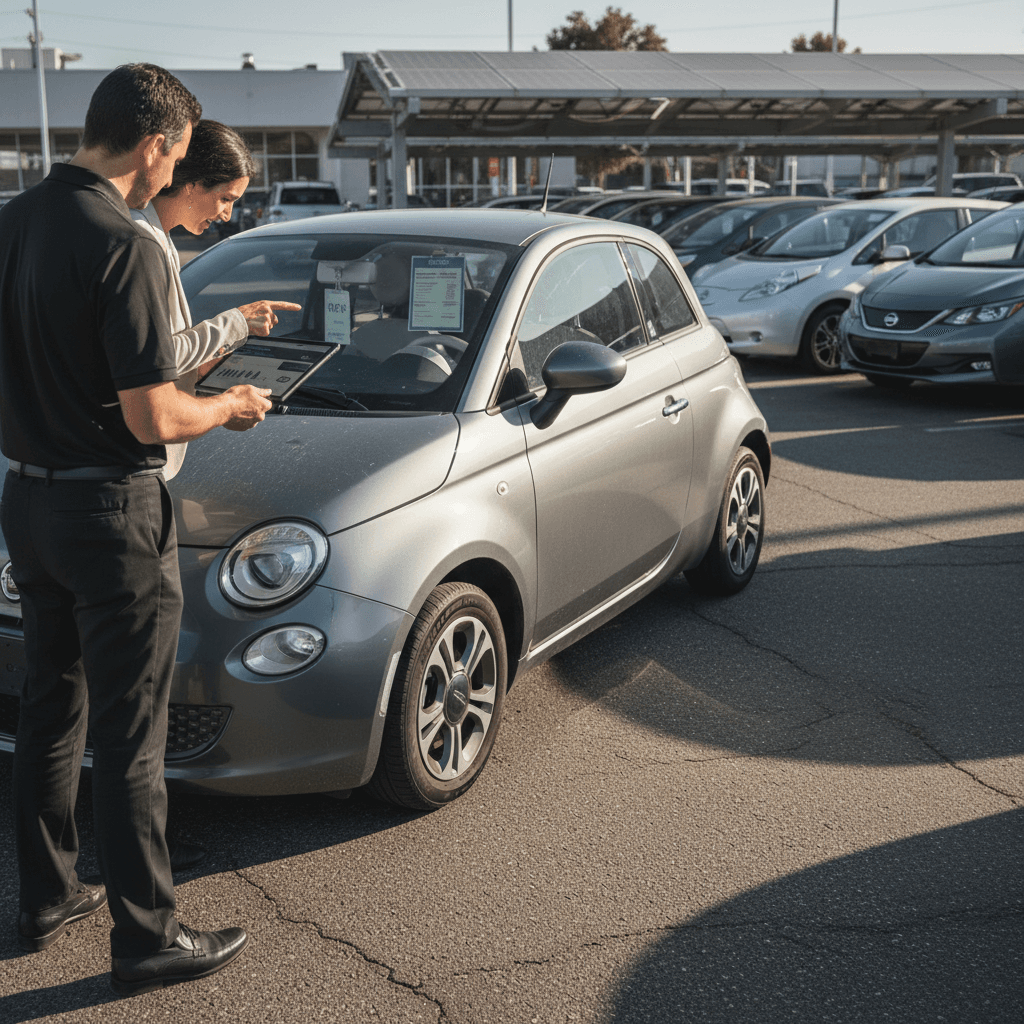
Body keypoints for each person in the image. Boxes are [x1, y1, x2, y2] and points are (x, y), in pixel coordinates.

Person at [0, 64, 269, 995]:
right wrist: (229, 403)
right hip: (110, 510)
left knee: (50, 704)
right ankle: (148, 936)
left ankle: (44, 896)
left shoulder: (15, 219)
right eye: (181, 155)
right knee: (129, 731)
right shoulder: (120, 240)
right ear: (156, 144)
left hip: (27, 502)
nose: (177, 172)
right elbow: (155, 414)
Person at [130, 118, 301, 480]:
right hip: (131, 471)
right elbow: (154, 358)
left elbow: (152, 355)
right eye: (225, 198)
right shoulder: (141, 243)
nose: (227, 213)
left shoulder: (155, 238)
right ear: (191, 183)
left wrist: (201, 369)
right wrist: (236, 322)